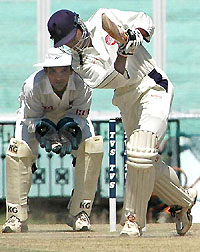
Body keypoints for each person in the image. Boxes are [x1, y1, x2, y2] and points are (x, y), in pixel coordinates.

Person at [47, 9, 197, 237]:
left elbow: (146, 21)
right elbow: (113, 78)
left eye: (72, 38)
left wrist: (136, 34)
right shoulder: (79, 64)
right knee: (145, 163)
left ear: (79, 24)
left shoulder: (103, 17)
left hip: (152, 87)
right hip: (127, 102)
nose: (72, 45)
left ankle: (132, 220)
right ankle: (183, 201)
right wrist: (124, 53)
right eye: (66, 42)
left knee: (140, 150)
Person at [2, 47, 104, 233]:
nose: (59, 77)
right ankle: (16, 215)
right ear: (46, 71)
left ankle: (80, 213)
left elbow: (80, 117)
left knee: (93, 148)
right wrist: (42, 129)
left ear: (72, 70)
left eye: (64, 70)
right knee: (19, 151)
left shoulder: (83, 84)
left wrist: (70, 130)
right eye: (53, 71)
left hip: (71, 117)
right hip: (37, 117)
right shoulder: (32, 85)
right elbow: (29, 119)